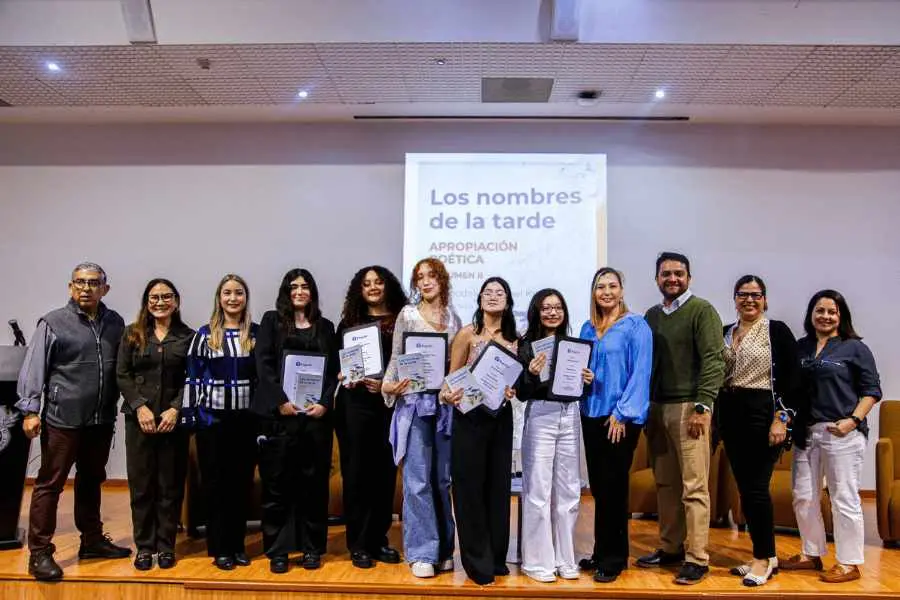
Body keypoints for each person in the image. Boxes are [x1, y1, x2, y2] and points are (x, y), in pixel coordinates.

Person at [16, 262, 130, 581]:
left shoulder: (115, 323)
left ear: (104, 289)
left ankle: (92, 540)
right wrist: (29, 410)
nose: (85, 288)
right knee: (50, 483)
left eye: (93, 283)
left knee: (92, 479)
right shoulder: (53, 323)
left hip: (100, 419)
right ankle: (39, 553)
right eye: (79, 282)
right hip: (61, 419)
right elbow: (34, 367)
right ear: (70, 287)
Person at [780, 289, 881, 584]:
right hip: (805, 433)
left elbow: (872, 391)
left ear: (841, 316)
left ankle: (849, 563)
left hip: (841, 433)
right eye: (820, 311)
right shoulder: (800, 348)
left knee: (843, 498)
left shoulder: (854, 348)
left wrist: (853, 420)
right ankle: (811, 554)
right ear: (811, 315)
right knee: (803, 497)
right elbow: (789, 388)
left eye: (832, 312)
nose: (825, 316)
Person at [638, 252, 725, 585]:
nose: (672, 279)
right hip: (657, 408)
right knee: (666, 484)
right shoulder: (651, 316)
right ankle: (670, 547)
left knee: (694, 487)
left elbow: (713, 361)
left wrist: (704, 408)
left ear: (689, 277)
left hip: (691, 408)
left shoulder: (702, 311)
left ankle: (697, 557)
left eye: (678, 273)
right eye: (665, 274)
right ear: (656, 279)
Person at [252, 268, 338, 573]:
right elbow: (263, 365)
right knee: (278, 487)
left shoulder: (326, 327)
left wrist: (325, 404)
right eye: (294, 287)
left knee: (314, 488)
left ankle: (312, 548)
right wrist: (281, 402)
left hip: (315, 421)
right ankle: (279, 550)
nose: (299, 291)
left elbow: (333, 373)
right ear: (286, 292)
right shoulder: (271, 322)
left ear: (312, 291)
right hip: (280, 419)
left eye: (305, 287)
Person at [382, 258, 462, 579]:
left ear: (442, 280)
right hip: (414, 404)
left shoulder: (455, 319)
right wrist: (390, 385)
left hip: (444, 407)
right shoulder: (408, 315)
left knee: (443, 480)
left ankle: (444, 549)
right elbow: (396, 358)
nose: (425, 282)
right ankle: (420, 551)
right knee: (417, 480)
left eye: (431, 276)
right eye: (420, 278)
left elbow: (457, 368)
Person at [717, 275, 799, 586]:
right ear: (734, 298)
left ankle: (762, 559)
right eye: (743, 294)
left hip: (763, 414)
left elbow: (793, 380)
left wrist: (782, 419)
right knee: (746, 490)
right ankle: (767, 555)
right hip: (731, 413)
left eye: (755, 294)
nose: (749, 300)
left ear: (765, 299)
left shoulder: (776, 331)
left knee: (756, 489)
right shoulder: (726, 332)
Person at [442, 277, 519, 586]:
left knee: (498, 489)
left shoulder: (517, 339)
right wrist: (447, 395)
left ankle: (497, 557)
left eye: (499, 292)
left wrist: (514, 390)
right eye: (487, 292)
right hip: (469, 419)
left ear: (508, 301)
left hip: (501, 419)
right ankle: (476, 561)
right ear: (479, 299)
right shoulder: (466, 335)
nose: (493, 296)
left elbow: (520, 382)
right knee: (469, 489)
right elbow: (450, 381)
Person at [578, 268, 652, 583]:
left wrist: (622, 413)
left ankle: (614, 559)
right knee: (599, 488)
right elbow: (582, 366)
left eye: (612, 286)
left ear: (621, 290)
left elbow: (641, 374)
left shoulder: (637, 326)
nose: (606, 292)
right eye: (600, 287)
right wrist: (582, 377)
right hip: (590, 413)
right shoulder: (586, 328)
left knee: (614, 488)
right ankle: (601, 550)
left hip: (618, 418)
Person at [117, 278, 195, 571]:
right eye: (154, 297)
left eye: (166, 296)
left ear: (176, 301)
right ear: (146, 302)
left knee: (170, 485)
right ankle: (144, 547)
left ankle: (166, 546)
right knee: (142, 486)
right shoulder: (132, 334)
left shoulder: (187, 337)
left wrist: (176, 409)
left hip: (173, 423)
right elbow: (122, 374)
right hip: (140, 422)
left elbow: (192, 377)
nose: (160, 302)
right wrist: (140, 407)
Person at [518, 288, 594, 583]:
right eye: (546, 308)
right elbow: (522, 393)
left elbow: (576, 387)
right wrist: (532, 373)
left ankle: (565, 558)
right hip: (541, 415)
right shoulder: (527, 345)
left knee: (569, 489)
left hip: (570, 415)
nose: (552, 312)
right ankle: (538, 562)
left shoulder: (573, 345)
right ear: (537, 312)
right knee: (538, 489)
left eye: (557, 307)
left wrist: (587, 381)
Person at [184, 274, 258, 571]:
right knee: (215, 485)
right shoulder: (204, 335)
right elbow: (192, 377)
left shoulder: (254, 334)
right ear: (219, 298)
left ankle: (238, 544)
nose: (232, 298)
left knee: (240, 484)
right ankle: (219, 547)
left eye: (238, 293)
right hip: (212, 422)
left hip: (245, 422)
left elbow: (260, 378)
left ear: (245, 298)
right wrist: (194, 415)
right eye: (227, 293)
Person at [334, 266, 407, 569]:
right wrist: (343, 375)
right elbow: (339, 366)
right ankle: (359, 544)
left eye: (378, 282)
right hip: (354, 407)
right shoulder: (349, 323)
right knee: (357, 475)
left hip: (388, 405)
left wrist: (388, 385)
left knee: (384, 476)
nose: (374, 287)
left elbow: (407, 361)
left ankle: (379, 540)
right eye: (367, 284)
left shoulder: (403, 319)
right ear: (359, 290)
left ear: (387, 285)